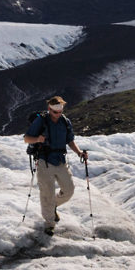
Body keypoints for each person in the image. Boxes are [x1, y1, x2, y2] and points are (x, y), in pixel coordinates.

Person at [23, 96, 87, 235]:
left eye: (60, 112)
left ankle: (53, 206)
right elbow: (27, 138)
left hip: (60, 160)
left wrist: (79, 153)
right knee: (47, 194)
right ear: (49, 109)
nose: (57, 115)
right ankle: (49, 224)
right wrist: (38, 139)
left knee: (69, 190)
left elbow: (70, 141)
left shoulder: (65, 121)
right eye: (54, 112)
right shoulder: (41, 121)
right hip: (44, 162)